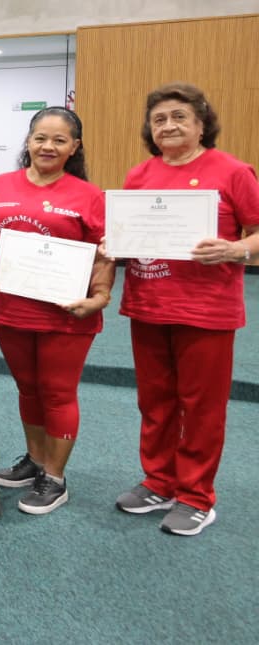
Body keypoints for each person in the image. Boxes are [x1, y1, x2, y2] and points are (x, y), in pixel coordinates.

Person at [112, 83, 259, 536]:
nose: (169, 126)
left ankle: (197, 496)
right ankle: (159, 481)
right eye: (159, 119)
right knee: (154, 401)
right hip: (148, 304)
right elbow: (128, 236)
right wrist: (114, 244)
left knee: (201, 406)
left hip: (206, 310)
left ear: (201, 124)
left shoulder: (233, 172)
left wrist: (236, 249)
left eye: (179, 117)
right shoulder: (139, 176)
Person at [0, 107, 112, 515]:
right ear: (28, 142)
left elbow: (106, 254)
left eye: (59, 140)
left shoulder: (88, 195)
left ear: (74, 148)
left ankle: (56, 476)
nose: (48, 146)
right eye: (40, 138)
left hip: (67, 315)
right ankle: (34, 462)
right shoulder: (1, 185)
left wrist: (99, 296)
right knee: (27, 389)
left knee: (58, 392)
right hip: (11, 311)